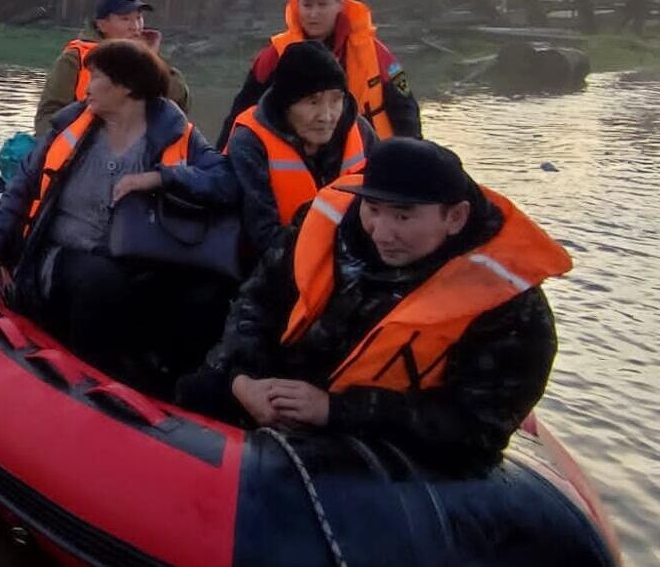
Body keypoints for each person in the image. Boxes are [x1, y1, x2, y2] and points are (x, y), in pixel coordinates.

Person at [177, 138, 571, 472]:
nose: (382, 233)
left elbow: (476, 428)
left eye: (403, 216)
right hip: (271, 391)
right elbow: (257, 302)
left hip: (374, 442)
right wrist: (244, 378)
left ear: (455, 217)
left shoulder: (511, 307)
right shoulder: (322, 228)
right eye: (374, 209)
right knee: (195, 382)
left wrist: (334, 411)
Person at [0, 40, 238, 392]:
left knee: (206, 293)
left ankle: (175, 386)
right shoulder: (71, 127)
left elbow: (225, 182)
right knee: (102, 280)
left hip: (142, 259)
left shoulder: (175, 131)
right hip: (63, 257)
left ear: (126, 87)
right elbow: (20, 191)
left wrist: (162, 176)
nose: (87, 86)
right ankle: (95, 382)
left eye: (96, 77)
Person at [217, 0, 420, 149]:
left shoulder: (378, 53)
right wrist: (221, 158)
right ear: (297, 6)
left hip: (368, 154)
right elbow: (241, 111)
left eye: (322, 4)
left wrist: (413, 155)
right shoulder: (275, 55)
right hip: (301, 154)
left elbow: (405, 107)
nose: (314, 14)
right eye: (307, 5)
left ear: (340, 4)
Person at [225, 40, 377, 255]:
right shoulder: (250, 143)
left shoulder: (360, 130)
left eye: (335, 100)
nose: (326, 116)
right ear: (285, 105)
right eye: (312, 102)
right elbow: (262, 237)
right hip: (275, 268)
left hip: (352, 257)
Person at [33, 0, 190, 138]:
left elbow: (180, 103)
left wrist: (153, 61)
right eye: (125, 19)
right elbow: (46, 118)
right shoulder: (74, 59)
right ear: (102, 25)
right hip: (83, 151)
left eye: (139, 18)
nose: (135, 27)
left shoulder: (149, 57)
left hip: (139, 152)